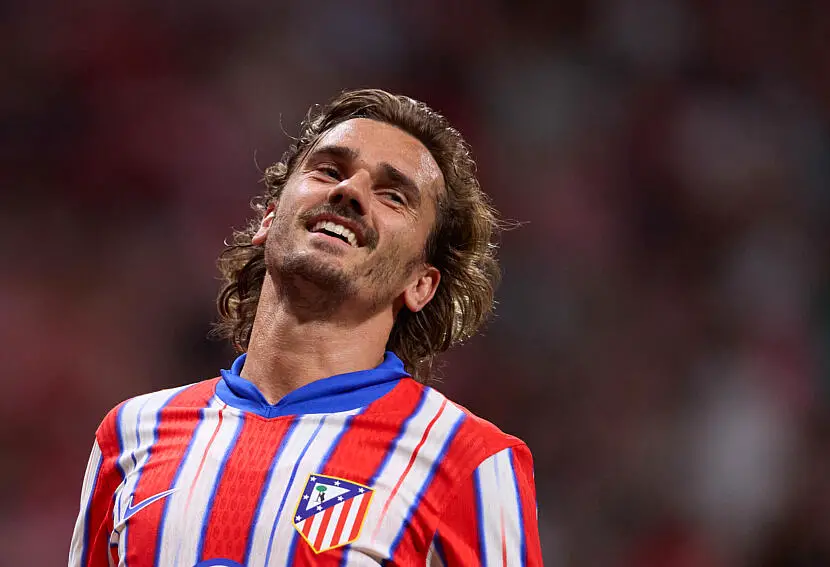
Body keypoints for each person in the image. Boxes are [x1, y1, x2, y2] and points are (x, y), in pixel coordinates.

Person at [68, 89, 544, 567]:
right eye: (329, 170)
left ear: (421, 283)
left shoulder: (467, 460)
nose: (350, 191)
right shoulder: (132, 434)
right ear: (269, 219)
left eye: (393, 195)